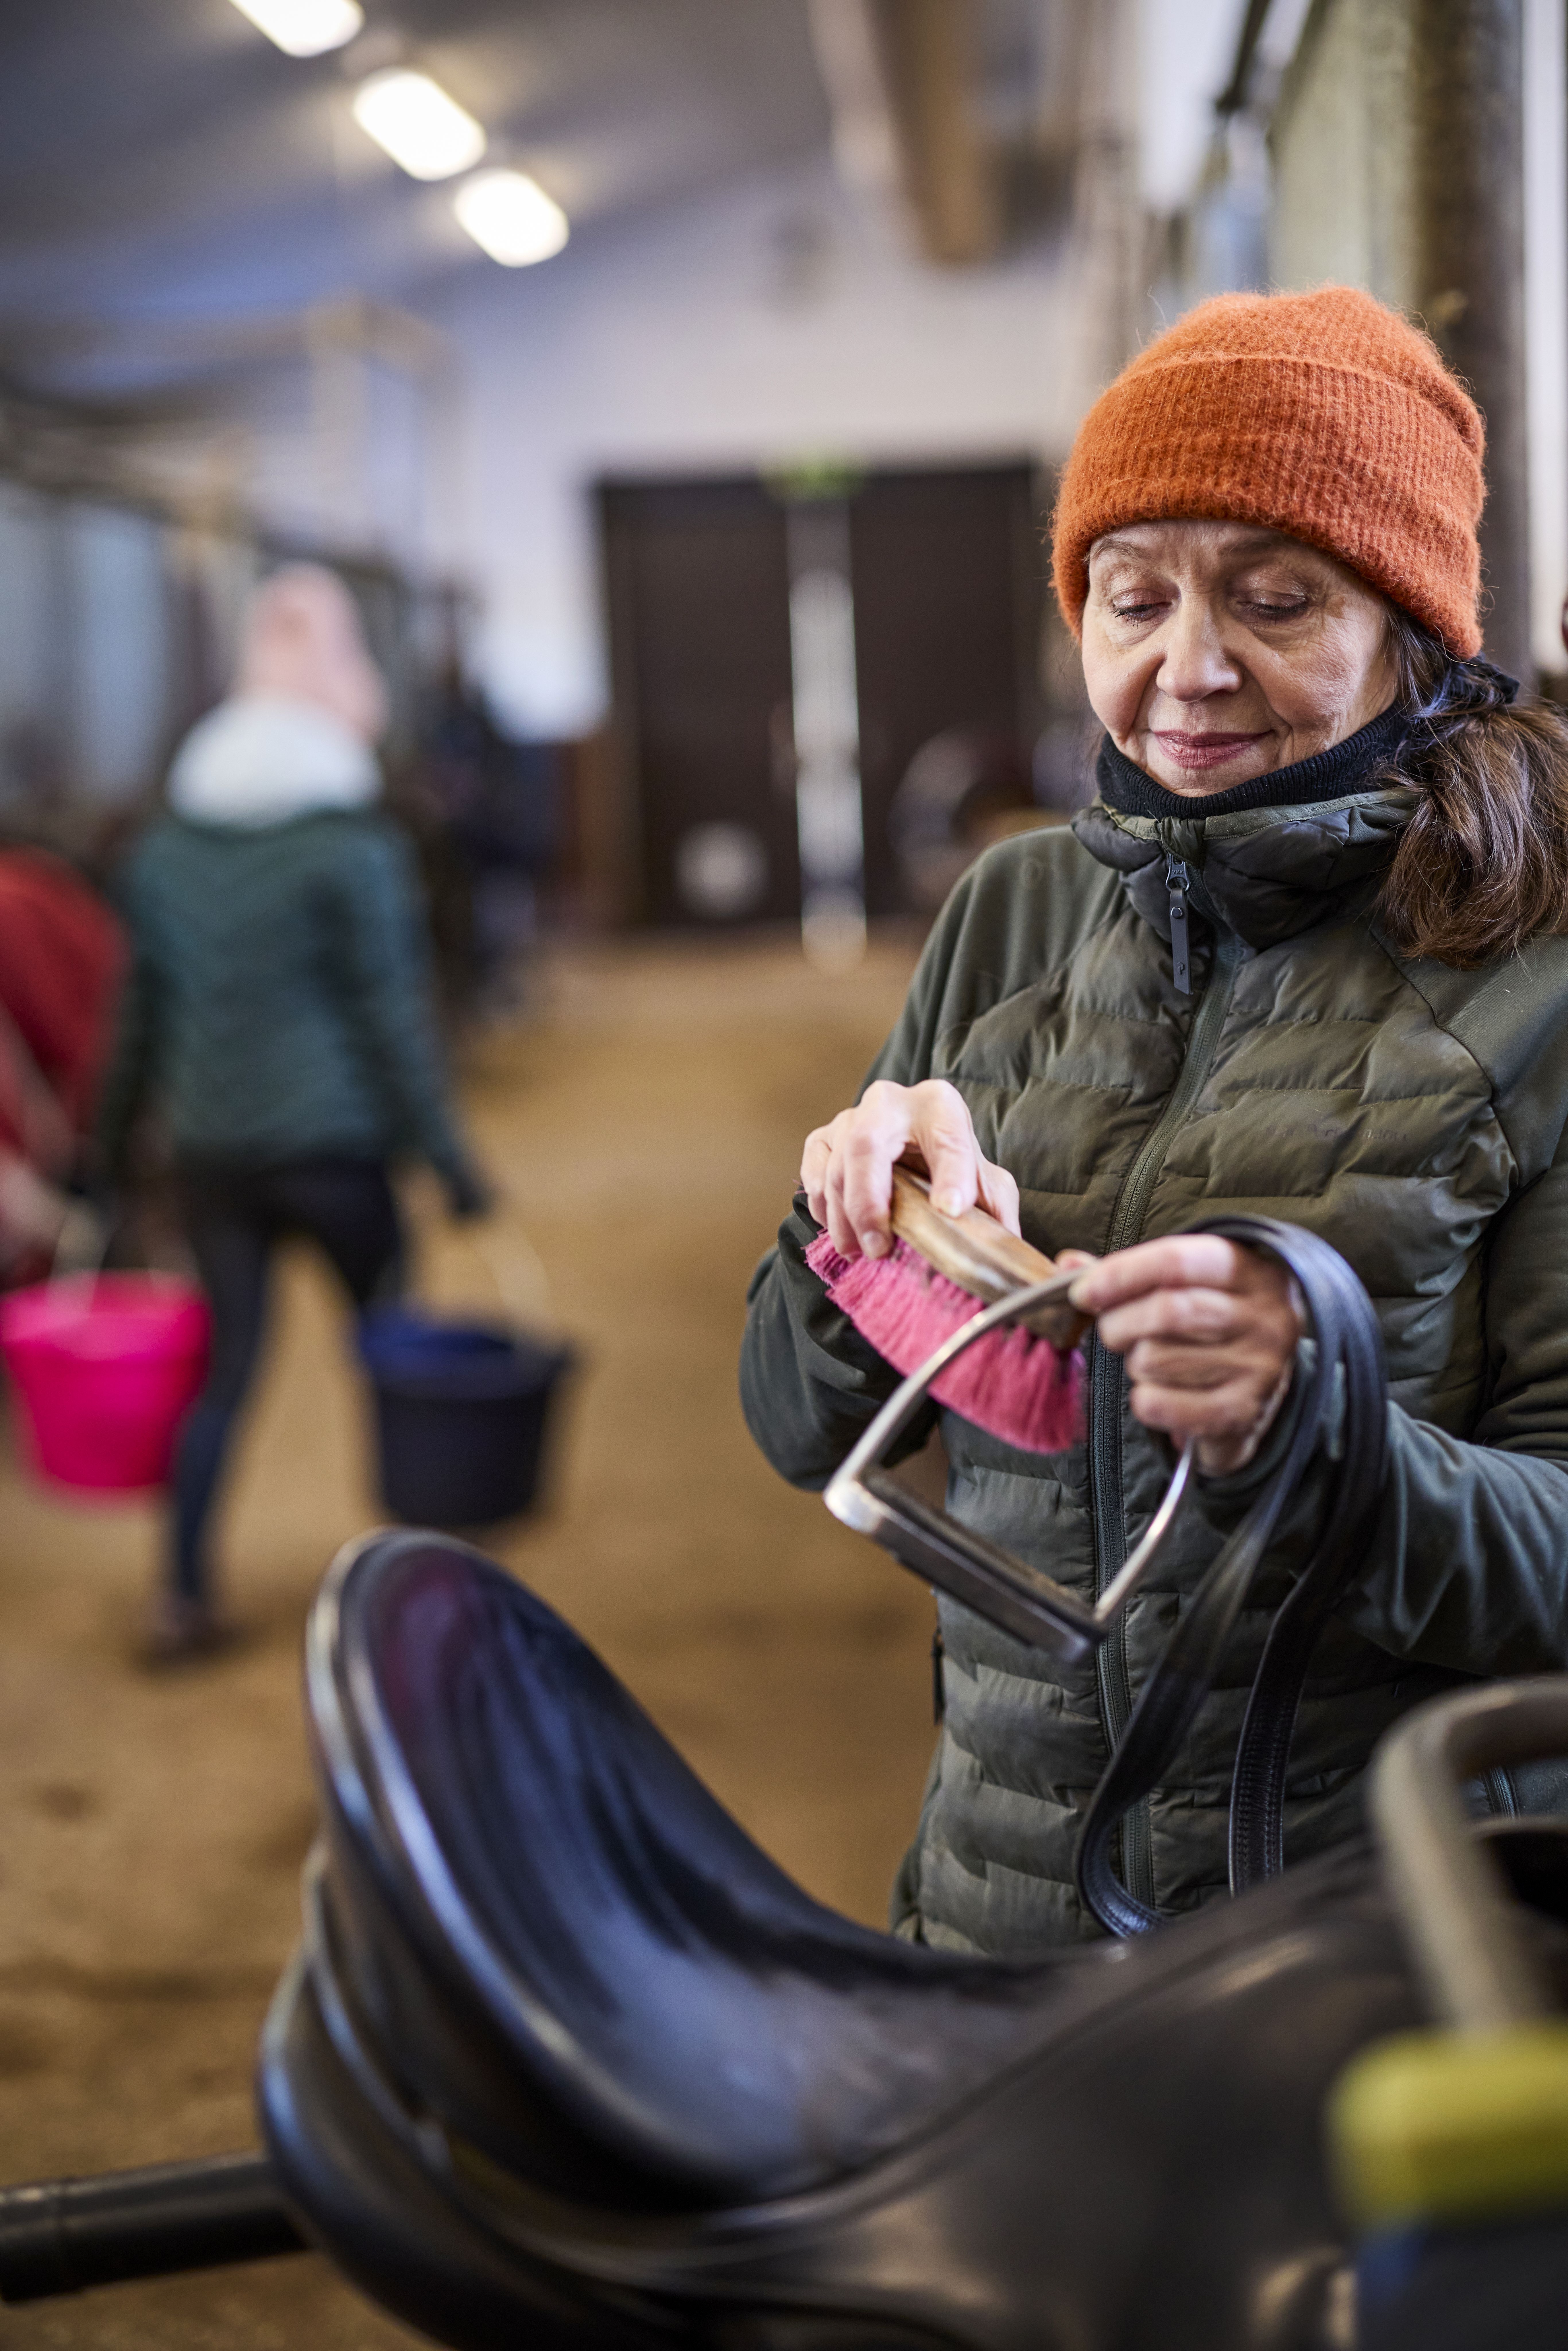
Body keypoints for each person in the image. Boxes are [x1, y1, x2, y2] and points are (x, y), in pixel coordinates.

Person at [741, 286, 1568, 1956]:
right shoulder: (1012, 918)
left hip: (1371, 1942)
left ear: (1406, 625)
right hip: (1000, 1909)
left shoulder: (1529, 965)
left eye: (1275, 601)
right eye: (1131, 599)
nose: (1187, 669)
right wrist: (856, 1234)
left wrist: (1322, 1446)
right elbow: (794, 1427)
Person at [98, 565, 488, 1661]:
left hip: (214, 1154)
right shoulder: (352, 849)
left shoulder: (164, 853)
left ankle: (178, 1593)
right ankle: (413, 1605)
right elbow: (391, 1022)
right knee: (392, 1356)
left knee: (223, 1373)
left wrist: (102, 1151)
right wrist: (449, 1159)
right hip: (338, 1155)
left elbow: (133, 1022)